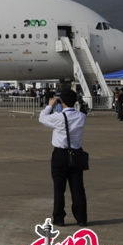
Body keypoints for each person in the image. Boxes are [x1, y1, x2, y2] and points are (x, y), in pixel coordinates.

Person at [39, 88, 87, 227]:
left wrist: (50, 105)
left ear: (62, 101)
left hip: (61, 154)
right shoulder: (81, 116)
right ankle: (81, 218)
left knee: (59, 188)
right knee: (78, 187)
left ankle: (59, 218)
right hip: (77, 153)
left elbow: (42, 118)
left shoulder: (58, 117)